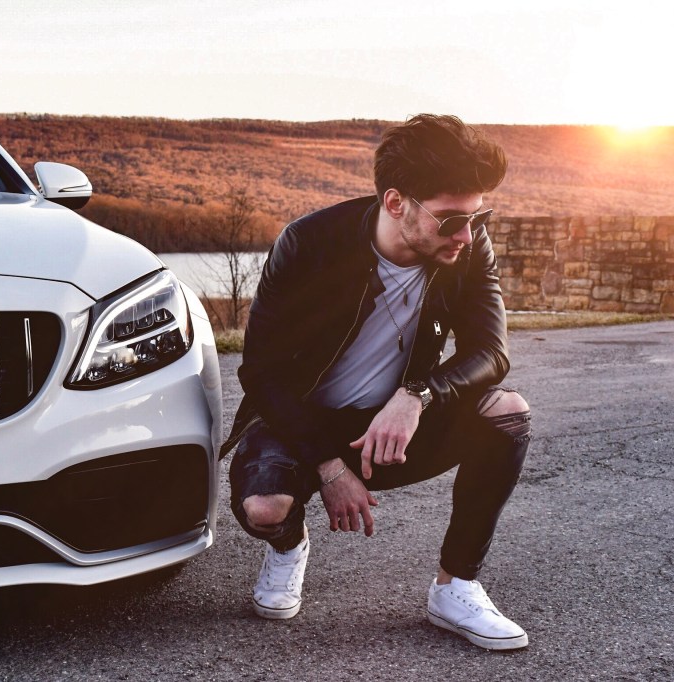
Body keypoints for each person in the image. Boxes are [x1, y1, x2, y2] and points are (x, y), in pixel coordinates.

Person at [219, 114, 532, 651]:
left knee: (507, 412)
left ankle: (456, 587)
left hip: (388, 430)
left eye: (479, 216)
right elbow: (262, 372)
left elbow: (491, 351)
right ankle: (289, 545)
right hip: (296, 423)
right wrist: (327, 465)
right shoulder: (309, 244)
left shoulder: (468, 247)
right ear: (396, 203)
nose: (466, 233)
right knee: (265, 510)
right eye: (452, 219)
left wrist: (417, 395)